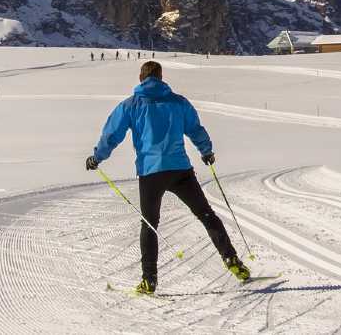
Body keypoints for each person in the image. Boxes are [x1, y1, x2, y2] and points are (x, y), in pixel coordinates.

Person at [84, 61, 249, 294]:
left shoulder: (130, 106)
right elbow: (195, 128)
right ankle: (232, 260)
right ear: (161, 78)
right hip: (180, 170)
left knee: (150, 225)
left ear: (141, 78)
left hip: (151, 173)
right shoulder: (178, 102)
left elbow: (112, 135)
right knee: (206, 215)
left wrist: (97, 157)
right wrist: (206, 151)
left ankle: (149, 280)